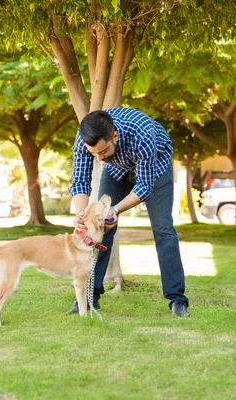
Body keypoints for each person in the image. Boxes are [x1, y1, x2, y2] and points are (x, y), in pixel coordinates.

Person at [67, 108, 190, 318]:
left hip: (155, 169)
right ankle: (89, 297)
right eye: (93, 153)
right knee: (100, 228)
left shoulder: (142, 133)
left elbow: (143, 186)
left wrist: (115, 209)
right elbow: (80, 180)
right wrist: (81, 214)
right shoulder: (85, 138)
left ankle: (177, 299)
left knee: (162, 228)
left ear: (114, 136)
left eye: (103, 151)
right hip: (117, 171)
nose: (98, 158)